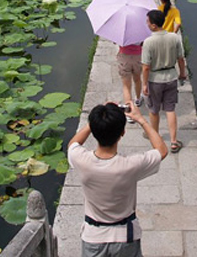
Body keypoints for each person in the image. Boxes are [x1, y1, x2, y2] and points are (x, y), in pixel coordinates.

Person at [68, 101, 168, 256]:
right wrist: (141, 120)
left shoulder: (81, 160)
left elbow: (73, 144)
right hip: (125, 236)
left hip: (93, 237)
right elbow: (161, 150)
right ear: (122, 133)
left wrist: (96, 122)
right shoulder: (130, 165)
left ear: (94, 132)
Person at [142, 10, 187, 153]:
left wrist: (144, 84)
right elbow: (181, 59)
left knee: (154, 110)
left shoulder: (148, 42)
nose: (147, 24)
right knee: (170, 109)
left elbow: (146, 67)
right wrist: (182, 74)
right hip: (171, 77)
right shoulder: (174, 38)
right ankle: (174, 141)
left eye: (148, 22)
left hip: (155, 79)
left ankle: (154, 136)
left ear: (154, 25)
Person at [115, 0, 143, 111]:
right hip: (138, 56)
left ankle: (129, 108)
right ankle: (138, 99)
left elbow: (116, 39)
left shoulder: (120, 25)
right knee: (137, 79)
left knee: (126, 85)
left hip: (124, 55)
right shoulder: (140, 24)